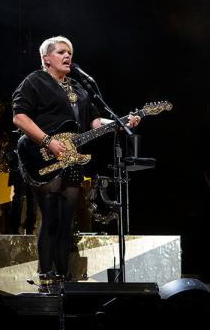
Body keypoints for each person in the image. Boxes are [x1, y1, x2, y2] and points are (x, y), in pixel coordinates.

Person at [12, 36, 141, 291]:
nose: (67, 56)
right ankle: (45, 276)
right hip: (43, 156)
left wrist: (121, 122)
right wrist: (48, 141)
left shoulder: (80, 88)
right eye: (61, 52)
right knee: (49, 217)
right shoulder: (34, 81)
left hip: (72, 159)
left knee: (66, 220)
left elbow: (93, 122)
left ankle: (63, 278)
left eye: (69, 52)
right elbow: (19, 117)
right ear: (46, 58)